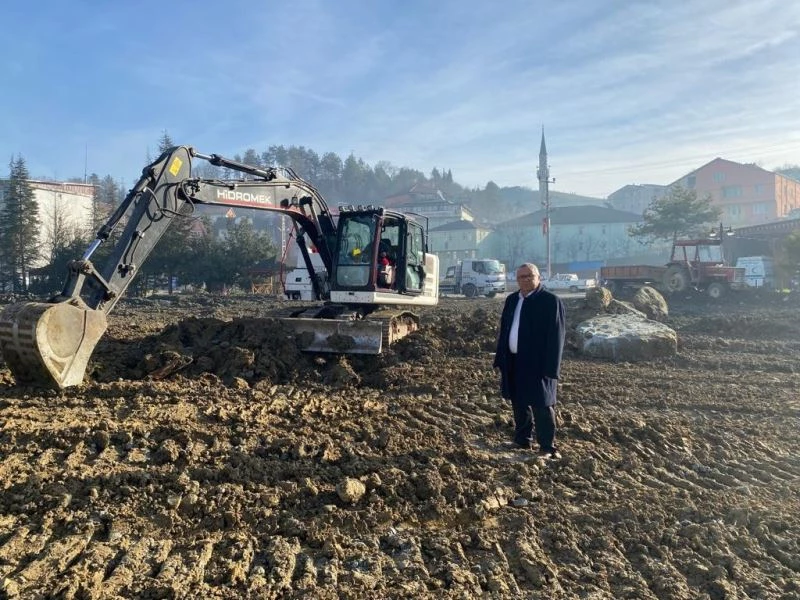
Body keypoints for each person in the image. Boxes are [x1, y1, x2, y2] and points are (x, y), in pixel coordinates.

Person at [494, 263, 566, 458]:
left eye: (529, 276)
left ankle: (547, 447)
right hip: (514, 360)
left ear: (538, 277)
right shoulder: (512, 300)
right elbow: (505, 330)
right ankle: (522, 440)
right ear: (516, 280)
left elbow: (557, 336)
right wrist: (501, 358)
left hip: (538, 363)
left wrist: (552, 367)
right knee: (518, 401)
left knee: (542, 404)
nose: (525, 280)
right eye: (521, 277)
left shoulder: (550, 301)